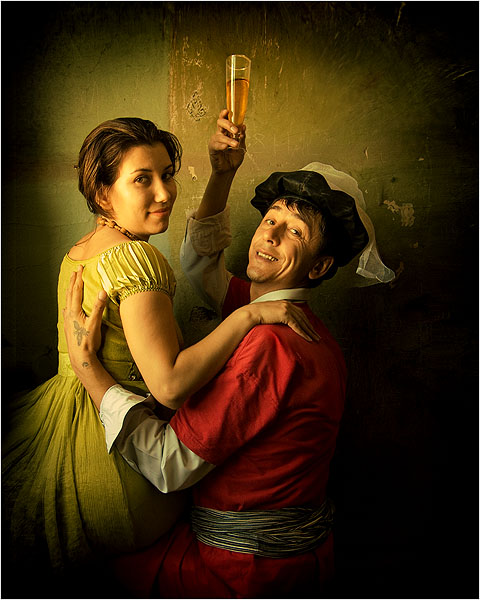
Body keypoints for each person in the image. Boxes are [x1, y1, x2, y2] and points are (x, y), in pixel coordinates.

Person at [63, 111, 394, 598]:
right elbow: (201, 263)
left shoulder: (270, 341)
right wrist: (222, 173)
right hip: (285, 555)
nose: (270, 236)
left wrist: (88, 369)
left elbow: (170, 464)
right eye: (270, 219)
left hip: (244, 573)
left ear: (320, 266)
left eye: (295, 232)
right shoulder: (273, 312)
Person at [1, 115, 317, 595]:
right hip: (115, 474)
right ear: (103, 194)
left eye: (167, 174)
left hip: (63, 428)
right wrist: (250, 316)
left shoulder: (79, 251)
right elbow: (168, 386)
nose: (165, 193)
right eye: (142, 179)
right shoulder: (137, 258)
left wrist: (222, 173)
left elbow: (200, 262)